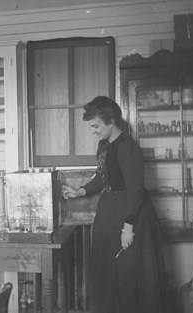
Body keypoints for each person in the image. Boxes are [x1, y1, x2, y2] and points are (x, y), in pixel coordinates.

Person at [63, 96, 168, 313]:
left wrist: (128, 228)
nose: (93, 131)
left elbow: (136, 190)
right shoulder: (104, 145)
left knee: (127, 271)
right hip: (109, 212)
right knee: (109, 270)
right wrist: (80, 190)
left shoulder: (127, 146)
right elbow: (102, 178)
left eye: (95, 126)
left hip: (130, 215)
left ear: (110, 121)